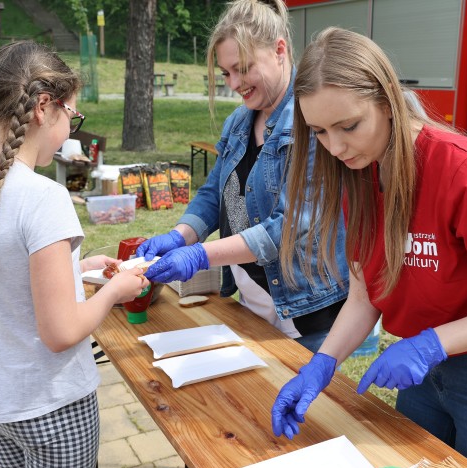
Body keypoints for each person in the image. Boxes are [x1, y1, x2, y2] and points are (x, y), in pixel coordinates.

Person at [271, 27, 467, 462]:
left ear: (386, 101)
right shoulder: (358, 173)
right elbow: (365, 295)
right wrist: (321, 365)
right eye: (320, 132)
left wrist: (432, 344)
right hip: (420, 372)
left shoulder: (460, 171)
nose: (336, 147)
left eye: (349, 126)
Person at [0, 41, 148, 468]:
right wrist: (114, 292)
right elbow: (60, 331)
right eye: (73, 117)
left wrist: (78, 267)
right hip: (53, 409)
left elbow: (0, 274)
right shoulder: (43, 198)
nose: (72, 129)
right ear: (43, 108)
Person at [137, 0, 349, 353]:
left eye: (243, 68)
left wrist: (200, 255)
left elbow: (288, 229)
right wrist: (179, 235)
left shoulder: (311, 121)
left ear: (279, 50)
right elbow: (213, 194)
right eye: (225, 73)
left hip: (309, 313)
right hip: (254, 303)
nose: (234, 83)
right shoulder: (238, 122)